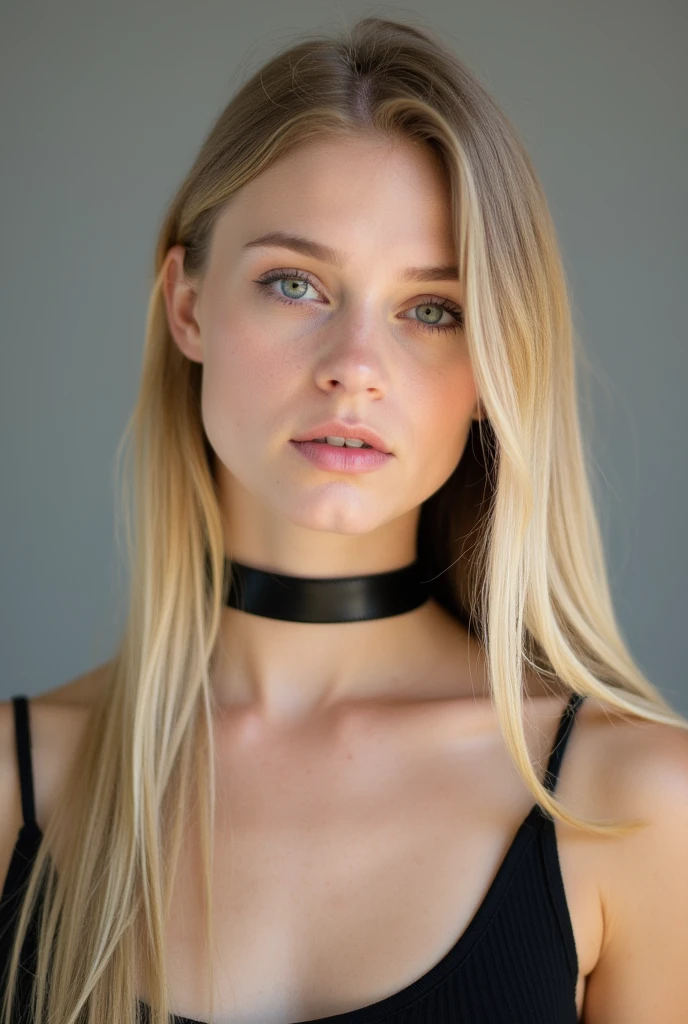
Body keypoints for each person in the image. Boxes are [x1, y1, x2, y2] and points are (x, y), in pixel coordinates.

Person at [1, 14, 687, 1024]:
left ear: (498, 364)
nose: (355, 366)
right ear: (186, 305)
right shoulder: (16, 790)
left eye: (432, 309)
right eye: (295, 283)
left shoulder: (632, 804)